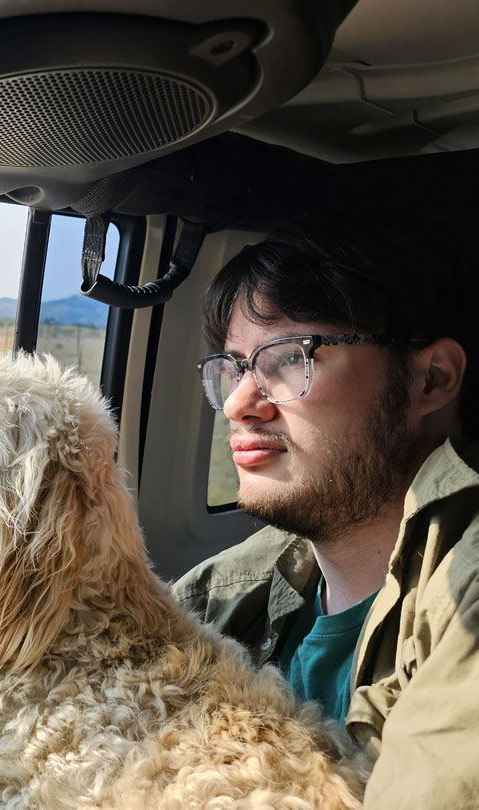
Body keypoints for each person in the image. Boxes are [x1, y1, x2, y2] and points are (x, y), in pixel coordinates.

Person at [172, 214, 479, 808]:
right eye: (236, 367)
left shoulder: (465, 597)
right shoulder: (224, 594)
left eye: (289, 357)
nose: (238, 404)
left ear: (432, 380)